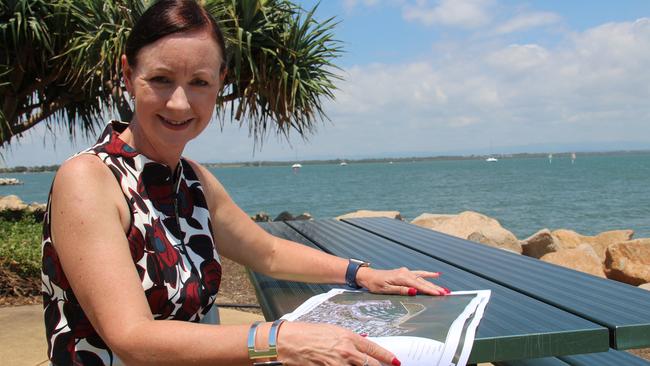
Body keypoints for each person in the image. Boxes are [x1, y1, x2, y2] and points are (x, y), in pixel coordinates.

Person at [41, 1, 448, 365]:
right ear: (128, 75)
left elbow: (266, 251)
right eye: (161, 79)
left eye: (199, 82)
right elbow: (133, 339)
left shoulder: (192, 180)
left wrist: (362, 274)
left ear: (220, 81)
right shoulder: (89, 180)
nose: (180, 102)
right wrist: (279, 340)